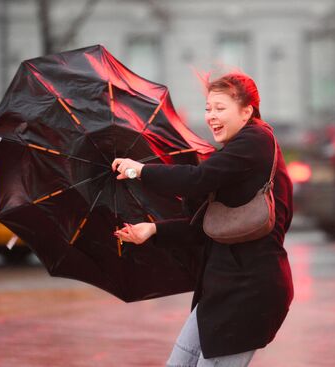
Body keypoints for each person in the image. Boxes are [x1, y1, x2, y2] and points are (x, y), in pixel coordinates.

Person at [112, 72, 294, 367]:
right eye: (208, 108)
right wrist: (154, 230)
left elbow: (197, 179)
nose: (211, 116)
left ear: (246, 111)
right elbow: (206, 227)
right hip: (220, 292)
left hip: (250, 292)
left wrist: (140, 171)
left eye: (220, 108)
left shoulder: (256, 142)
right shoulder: (235, 155)